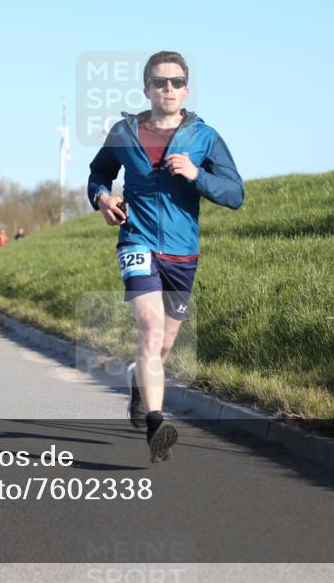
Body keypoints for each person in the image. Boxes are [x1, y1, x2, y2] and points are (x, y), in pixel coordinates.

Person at [87, 51, 244, 462]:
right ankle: (157, 423)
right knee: (151, 328)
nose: (167, 88)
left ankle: (141, 384)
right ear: (147, 89)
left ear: (186, 89)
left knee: (164, 345)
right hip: (136, 241)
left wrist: (197, 175)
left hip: (183, 252)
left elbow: (235, 194)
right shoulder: (124, 132)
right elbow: (98, 174)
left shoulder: (205, 137)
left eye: (175, 82)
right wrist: (102, 198)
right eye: (159, 82)